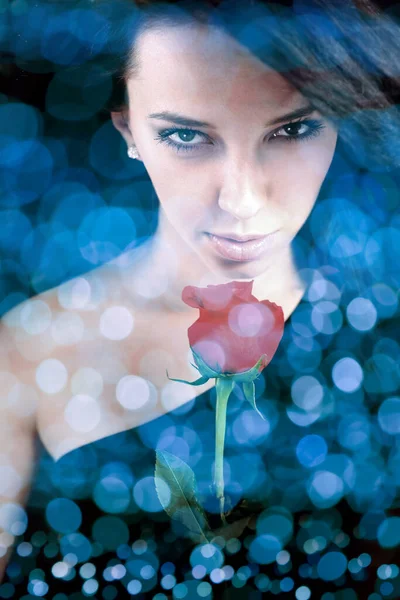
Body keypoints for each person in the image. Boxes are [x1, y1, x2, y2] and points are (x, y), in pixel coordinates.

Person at [1, 0, 400, 596]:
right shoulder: (32, 353)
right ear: (128, 128)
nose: (240, 199)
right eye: (186, 135)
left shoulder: (382, 354)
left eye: (292, 129)